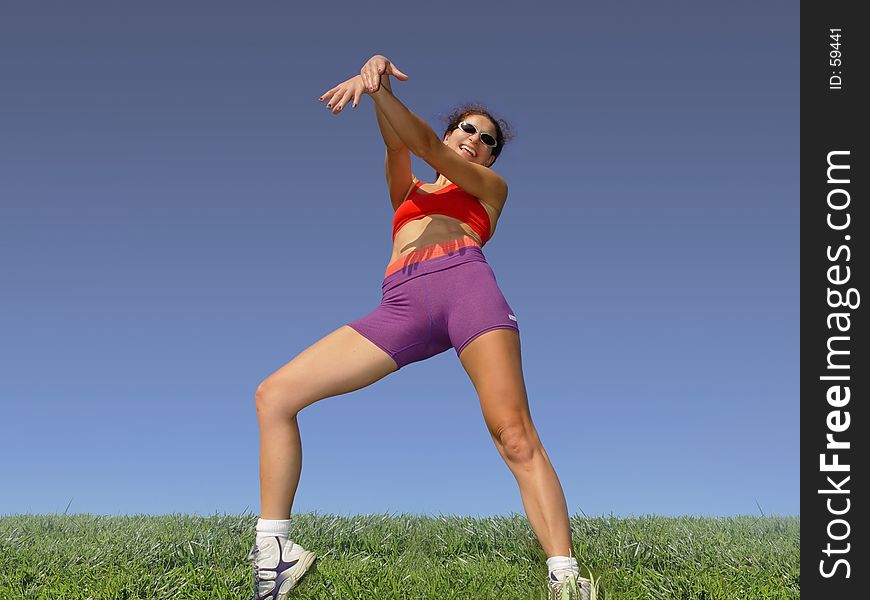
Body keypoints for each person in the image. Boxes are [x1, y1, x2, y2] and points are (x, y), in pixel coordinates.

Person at [247, 54, 592, 600]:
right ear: (454, 127)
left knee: (514, 435)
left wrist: (380, 93)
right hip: (400, 306)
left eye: (487, 139)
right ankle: (275, 553)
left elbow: (426, 146)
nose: (475, 139)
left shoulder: (488, 188)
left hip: (467, 291)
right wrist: (374, 80)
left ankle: (566, 578)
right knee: (274, 395)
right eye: (467, 128)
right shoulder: (405, 195)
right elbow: (399, 146)